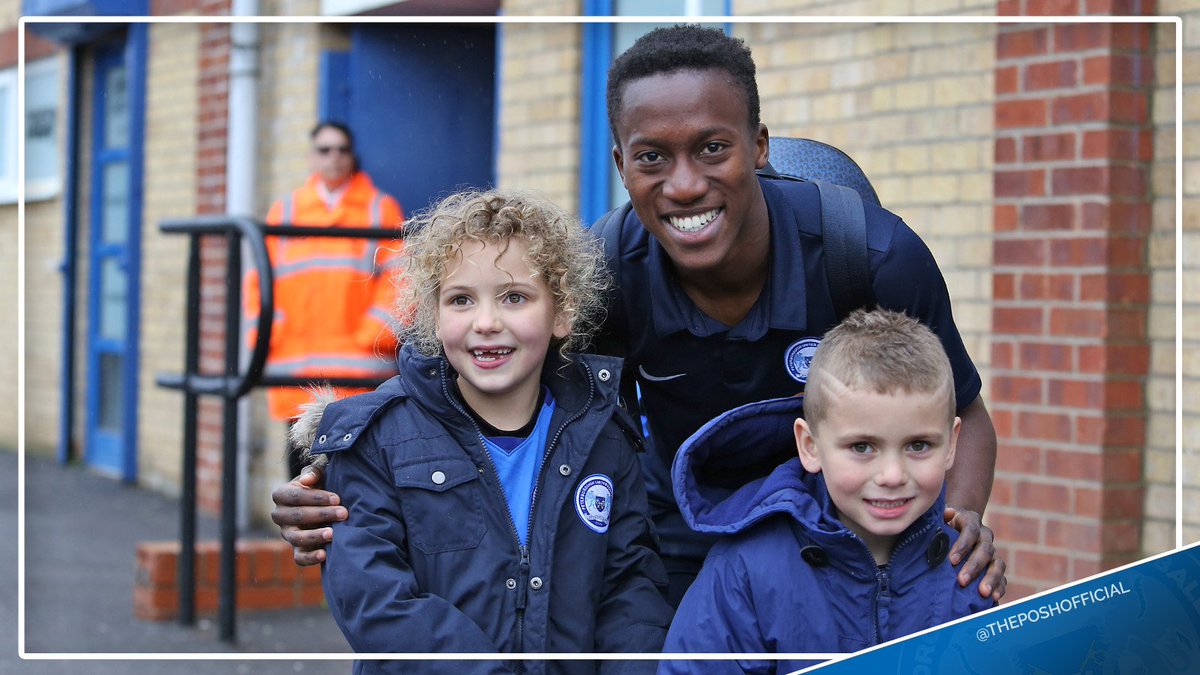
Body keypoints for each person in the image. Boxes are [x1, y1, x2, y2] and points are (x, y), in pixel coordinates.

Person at [270, 24, 1005, 605]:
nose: (685, 183)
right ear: (622, 165)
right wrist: (348, 473)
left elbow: (966, 412)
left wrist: (960, 518)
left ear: (758, 146)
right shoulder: (606, 273)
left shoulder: (869, 254)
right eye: (653, 157)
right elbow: (476, 380)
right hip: (681, 526)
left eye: (713, 148)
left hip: (842, 522)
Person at [291, 189, 673, 672]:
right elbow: (374, 600)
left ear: (563, 312)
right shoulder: (375, 438)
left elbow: (629, 587)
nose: (487, 322)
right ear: (432, 314)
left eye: (515, 297)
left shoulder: (603, 435)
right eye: (460, 299)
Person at [659, 309, 996, 673]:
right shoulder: (744, 572)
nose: (893, 475)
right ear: (810, 446)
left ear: (951, 444)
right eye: (862, 447)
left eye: (918, 446)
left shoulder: (967, 571)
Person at [244, 121, 404, 478]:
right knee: (301, 477)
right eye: (324, 149)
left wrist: (374, 334)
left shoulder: (380, 210)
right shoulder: (285, 212)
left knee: (359, 477)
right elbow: (258, 282)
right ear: (311, 157)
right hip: (298, 369)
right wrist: (271, 337)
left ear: (352, 156)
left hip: (359, 371)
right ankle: (300, 537)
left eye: (341, 149)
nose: (334, 157)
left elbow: (400, 278)